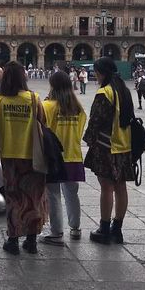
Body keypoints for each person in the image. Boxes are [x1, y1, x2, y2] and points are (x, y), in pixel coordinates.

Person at [0, 61, 48, 255]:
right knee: (33, 198)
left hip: (9, 157)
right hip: (33, 156)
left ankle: (13, 240)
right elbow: (44, 123)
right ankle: (32, 240)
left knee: (13, 197)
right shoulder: (34, 99)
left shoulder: (0, 101)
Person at [83, 57, 135, 244]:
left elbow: (96, 120)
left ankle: (104, 228)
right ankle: (117, 229)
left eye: (96, 71)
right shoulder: (124, 91)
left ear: (102, 72)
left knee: (107, 187)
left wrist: (88, 141)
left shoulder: (105, 92)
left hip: (107, 146)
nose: (95, 75)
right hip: (124, 145)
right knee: (121, 186)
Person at [40, 70, 87, 246]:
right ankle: (75, 228)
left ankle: (56, 232)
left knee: (53, 194)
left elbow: (42, 129)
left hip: (54, 156)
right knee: (72, 193)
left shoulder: (48, 106)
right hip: (73, 155)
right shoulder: (78, 107)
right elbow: (80, 130)